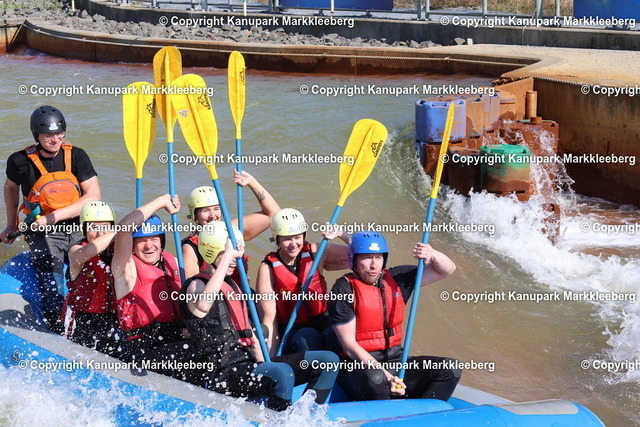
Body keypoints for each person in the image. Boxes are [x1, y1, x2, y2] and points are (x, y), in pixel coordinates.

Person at [180, 222, 339, 411]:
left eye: (235, 256)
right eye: (226, 255)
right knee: (282, 373)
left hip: (247, 362)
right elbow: (203, 305)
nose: (233, 261)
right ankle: (279, 422)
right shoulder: (195, 285)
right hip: (219, 373)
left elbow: (249, 333)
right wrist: (226, 258)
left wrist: (264, 361)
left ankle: (305, 417)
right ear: (210, 254)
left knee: (327, 361)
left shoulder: (233, 286)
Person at [1, 106, 101, 333]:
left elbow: (93, 196)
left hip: (77, 228)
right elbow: (10, 188)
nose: (55, 139)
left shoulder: (77, 155)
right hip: (42, 233)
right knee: (53, 288)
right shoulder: (19, 161)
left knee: (95, 271)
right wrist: (11, 225)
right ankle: (56, 329)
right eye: (48, 135)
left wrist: (52, 217)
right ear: (36, 135)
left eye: (59, 133)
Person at [328, 231, 461, 401]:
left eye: (378, 258)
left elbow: (447, 270)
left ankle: (422, 413)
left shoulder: (398, 279)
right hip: (358, 367)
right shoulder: (343, 290)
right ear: (353, 259)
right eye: (367, 258)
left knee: (450, 368)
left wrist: (432, 253)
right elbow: (349, 347)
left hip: (396, 361)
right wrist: (388, 378)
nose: (373, 265)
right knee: (376, 378)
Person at [111, 194, 188, 375]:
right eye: (141, 241)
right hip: (142, 348)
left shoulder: (174, 263)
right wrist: (162, 202)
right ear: (132, 245)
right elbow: (123, 229)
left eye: (154, 239)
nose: (148, 246)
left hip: (174, 339)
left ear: (161, 242)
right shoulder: (126, 268)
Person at [256, 209, 350, 355]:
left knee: (336, 334)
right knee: (309, 336)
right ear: (277, 239)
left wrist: (341, 234)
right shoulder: (267, 268)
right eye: (287, 239)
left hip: (324, 321)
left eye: (297, 237)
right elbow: (269, 319)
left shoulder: (316, 252)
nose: (293, 244)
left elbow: (361, 256)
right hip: (293, 331)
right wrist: (271, 358)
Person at [182, 170, 280, 280]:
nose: (213, 215)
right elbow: (191, 285)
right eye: (205, 211)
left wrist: (252, 183)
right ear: (195, 215)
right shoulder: (191, 246)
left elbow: (274, 215)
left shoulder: (232, 229)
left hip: (238, 289)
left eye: (216, 209)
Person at [61, 201, 121, 357]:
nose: (100, 233)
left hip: (114, 319)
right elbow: (88, 252)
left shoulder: (119, 252)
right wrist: (121, 230)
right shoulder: (76, 251)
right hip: (82, 321)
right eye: (94, 227)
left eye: (105, 227)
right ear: (84, 230)